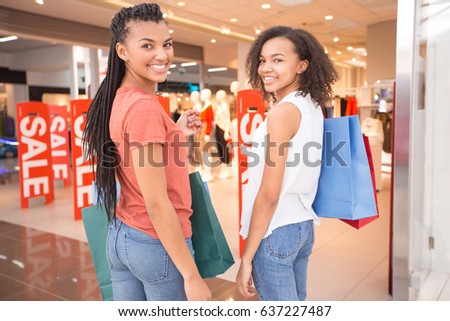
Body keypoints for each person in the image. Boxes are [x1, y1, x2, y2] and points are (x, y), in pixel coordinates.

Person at [82, 3, 211, 301]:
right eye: (147, 46)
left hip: (121, 234)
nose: (162, 55)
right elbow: (156, 201)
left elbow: (134, 159)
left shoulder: (119, 98)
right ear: (122, 51)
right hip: (155, 243)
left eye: (166, 44)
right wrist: (191, 276)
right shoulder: (144, 107)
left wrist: (175, 131)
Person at [236, 26, 338, 301]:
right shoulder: (311, 105)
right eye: (262, 60)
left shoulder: (282, 113)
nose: (266, 68)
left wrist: (246, 258)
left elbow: (269, 195)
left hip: (276, 229)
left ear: (302, 65)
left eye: (278, 60)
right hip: (301, 226)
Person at [214, 89, 232, 179]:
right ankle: (223, 169)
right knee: (220, 149)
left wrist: (226, 131)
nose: (217, 97)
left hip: (223, 128)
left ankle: (226, 170)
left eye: (218, 95)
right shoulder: (219, 106)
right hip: (217, 128)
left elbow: (228, 119)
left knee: (224, 149)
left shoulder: (225, 106)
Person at [199, 88, 214, 181]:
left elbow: (210, 121)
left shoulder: (209, 107)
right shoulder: (205, 106)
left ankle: (208, 173)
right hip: (202, 132)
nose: (201, 96)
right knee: (202, 152)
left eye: (202, 94)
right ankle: (205, 172)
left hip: (205, 132)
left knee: (206, 152)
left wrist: (208, 133)